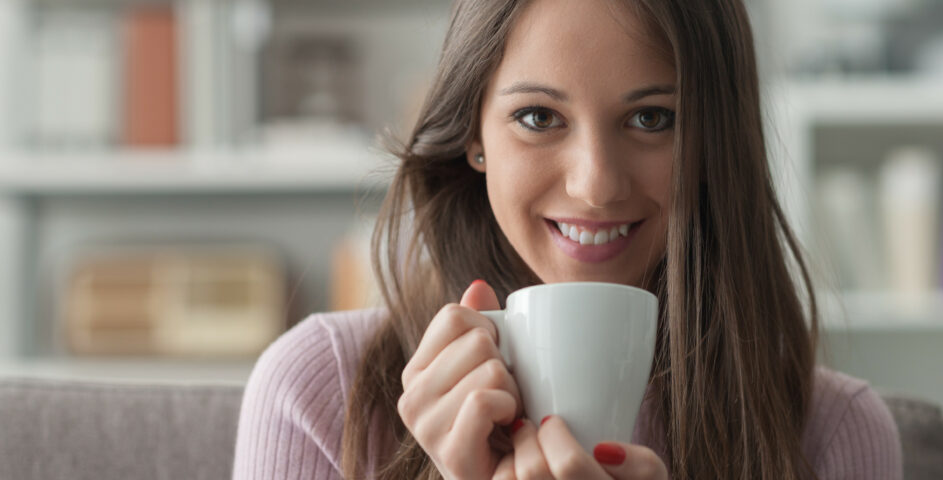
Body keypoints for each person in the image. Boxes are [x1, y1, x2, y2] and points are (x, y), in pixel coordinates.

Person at [233, 0, 903, 478]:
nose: (596, 186)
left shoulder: (836, 436)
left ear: (715, 142)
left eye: (651, 117)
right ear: (473, 134)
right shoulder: (318, 393)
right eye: (537, 116)